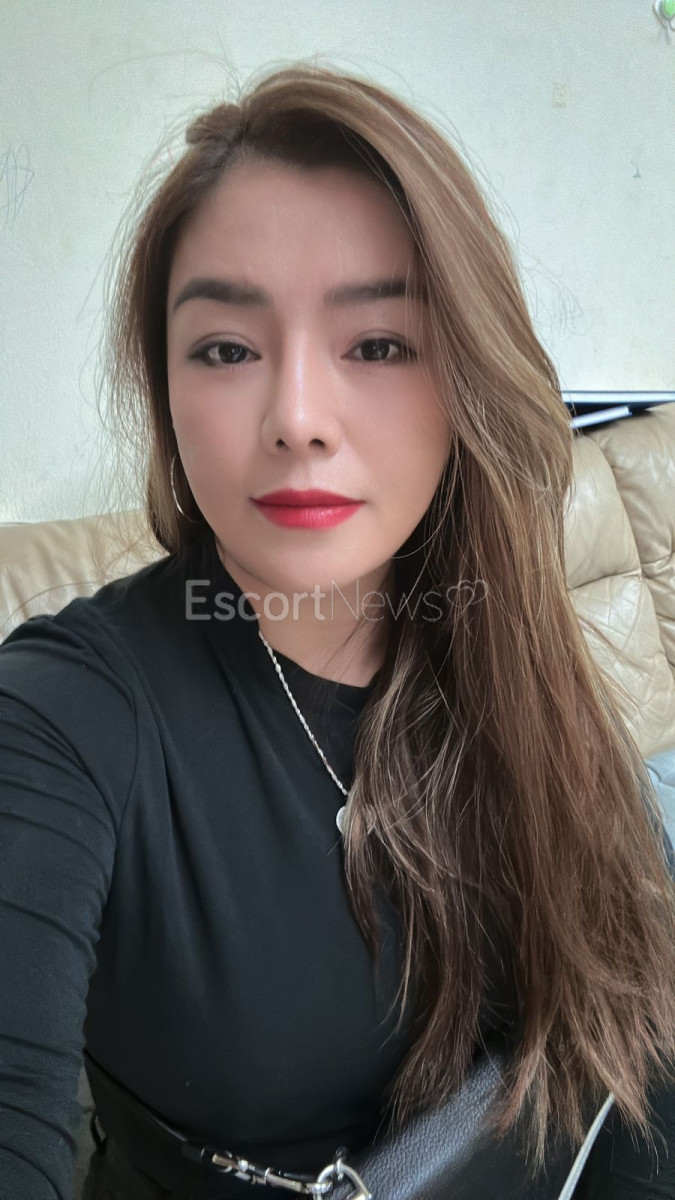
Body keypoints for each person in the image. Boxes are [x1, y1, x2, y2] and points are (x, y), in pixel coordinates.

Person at [0, 62, 673, 1200]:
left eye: (377, 344)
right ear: (167, 390)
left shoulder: (500, 637)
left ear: (464, 377)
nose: (299, 419)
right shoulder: (63, 717)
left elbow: (631, 1037)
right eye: (227, 348)